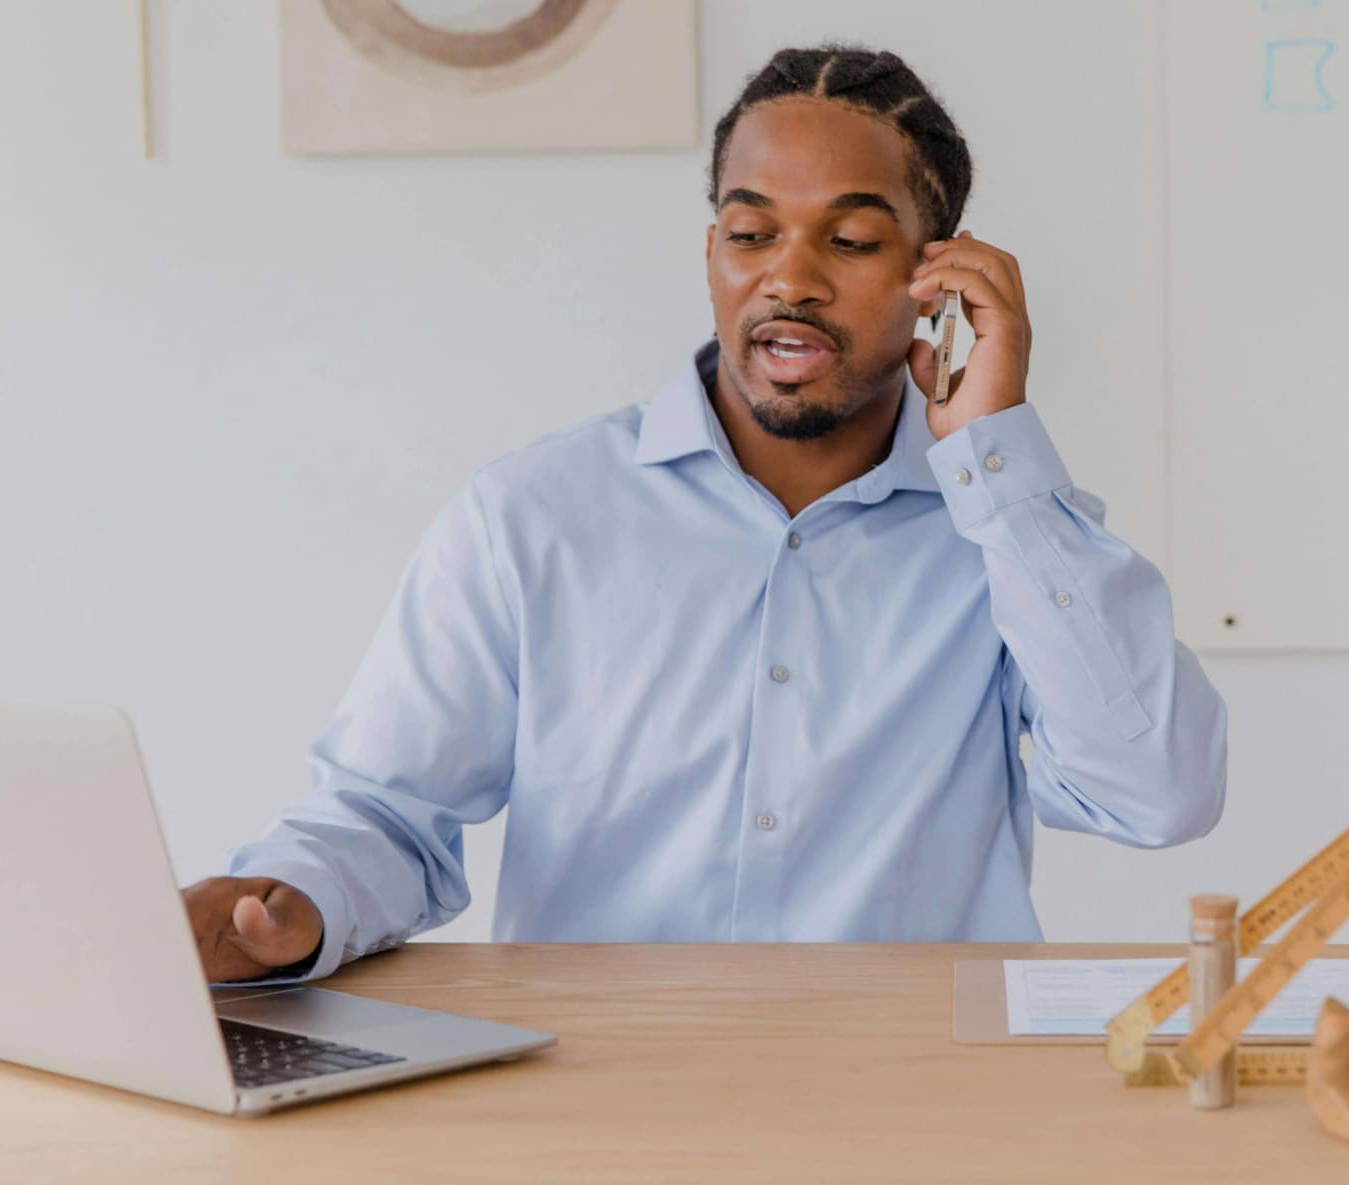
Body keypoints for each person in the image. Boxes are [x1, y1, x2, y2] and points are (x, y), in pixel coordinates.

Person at [183, 44, 1227, 985]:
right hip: (607, 1095)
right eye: (749, 231)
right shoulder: (533, 516)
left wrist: (997, 464)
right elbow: (383, 812)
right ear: (711, 251)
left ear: (934, 275)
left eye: (852, 239)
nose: (790, 277)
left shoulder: (1006, 534)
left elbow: (1155, 793)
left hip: (919, 1099)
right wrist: (288, 909)